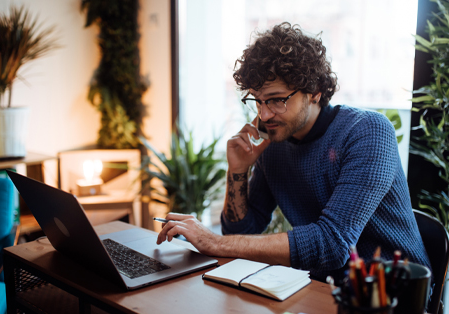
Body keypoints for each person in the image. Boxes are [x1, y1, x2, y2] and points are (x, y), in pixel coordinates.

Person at [156, 22, 431, 281]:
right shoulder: (273, 142)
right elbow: (242, 232)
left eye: (276, 100)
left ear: (315, 91)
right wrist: (238, 170)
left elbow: (332, 244)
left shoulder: (367, 132)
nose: (264, 114)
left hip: (396, 291)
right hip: (323, 288)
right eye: (258, 101)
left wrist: (213, 241)